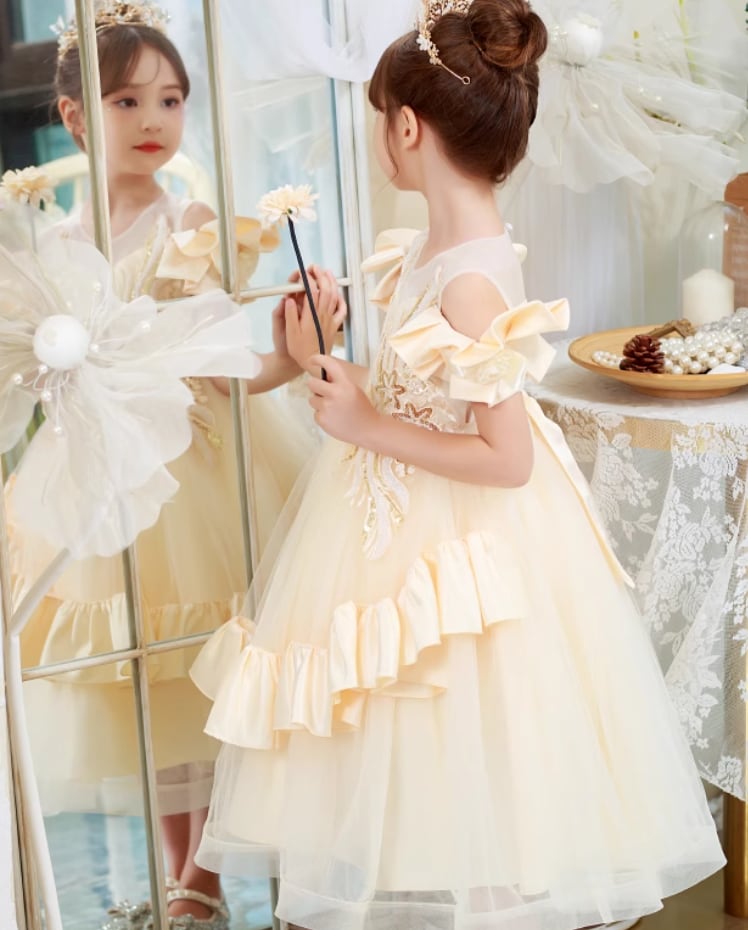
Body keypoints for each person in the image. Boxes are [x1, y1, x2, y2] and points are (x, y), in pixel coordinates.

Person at [189, 1, 726, 929]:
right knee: (418, 784)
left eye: (380, 120)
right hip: (394, 524)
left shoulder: (471, 279)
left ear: (407, 127)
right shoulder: (432, 250)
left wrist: (366, 422)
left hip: (465, 554)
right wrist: (343, 367)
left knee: (479, 782)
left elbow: (506, 457)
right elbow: (423, 393)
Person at [8, 4, 344, 929]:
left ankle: (204, 873)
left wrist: (297, 350)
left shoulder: (190, 224)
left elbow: (232, 369)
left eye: (171, 99)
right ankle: (179, 872)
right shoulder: (54, 244)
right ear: (75, 117)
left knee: (206, 660)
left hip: (200, 466)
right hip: (103, 473)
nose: (154, 119)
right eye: (127, 101)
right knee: (142, 688)